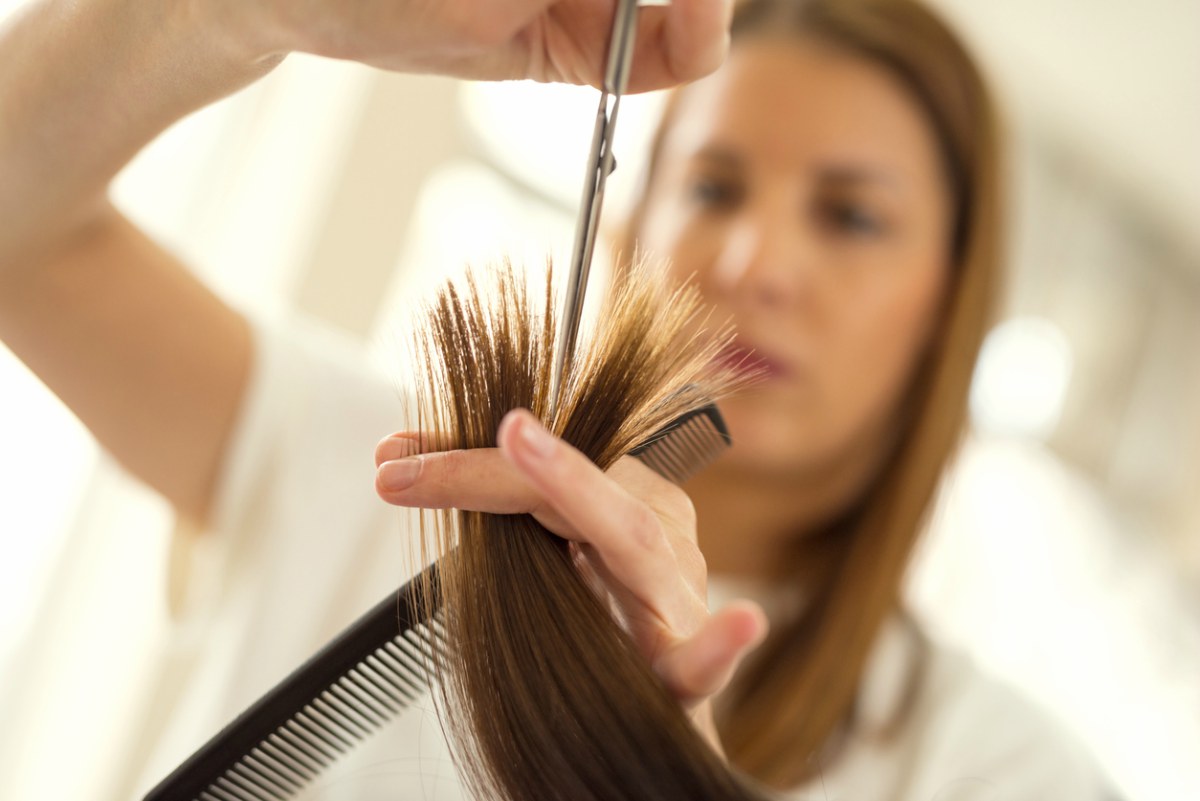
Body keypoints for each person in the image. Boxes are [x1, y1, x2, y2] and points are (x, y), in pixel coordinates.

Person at [0, 0, 1105, 798]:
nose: (758, 262)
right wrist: (241, 12)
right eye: (714, 187)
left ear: (947, 307)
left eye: (851, 217)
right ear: (634, 227)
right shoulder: (376, 468)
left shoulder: (996, 770)